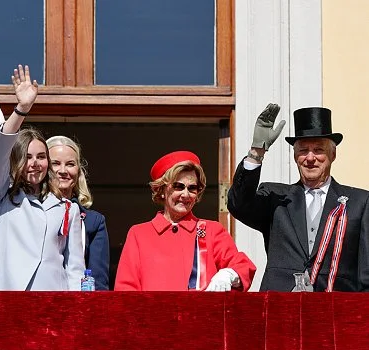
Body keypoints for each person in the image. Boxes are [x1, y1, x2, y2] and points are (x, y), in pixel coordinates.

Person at [228, 104, 369, 292]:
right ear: (295, 156)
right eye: (303, 150)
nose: (310, 158)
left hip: (335, 309)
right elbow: (238, 204)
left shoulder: (359, 202)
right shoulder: (275, 197)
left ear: (332, 155)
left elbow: (366, 271)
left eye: (319, 150)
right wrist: (256, 152)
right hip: (280, 306)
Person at [0, 91, 110, 290]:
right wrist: (20, 111)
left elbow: (75, 268)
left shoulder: (67, 208)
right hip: (6, 301)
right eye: (27, 157)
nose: (35, 163)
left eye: (41, 157)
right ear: (15, 161)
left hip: (52, 306)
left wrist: (77, 312)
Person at [115, 151, 256, 291]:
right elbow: (125, 291)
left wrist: (229, 274)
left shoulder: (211, 231)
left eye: (192, 188)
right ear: (162, 189)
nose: (185, 194)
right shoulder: (139, 234)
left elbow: (243, 266)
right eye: (178, 186)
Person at [46, 136, 110, 290]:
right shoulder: (28, 212)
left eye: (70, 164)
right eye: (55, 163)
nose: (63, 170)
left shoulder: (93, 221)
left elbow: (98, 281)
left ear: (79, 171)